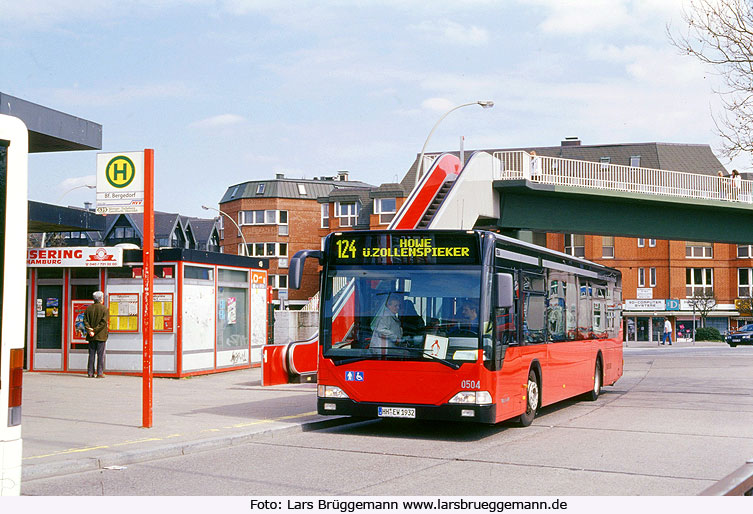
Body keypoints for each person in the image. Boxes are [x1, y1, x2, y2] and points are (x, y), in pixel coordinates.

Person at [84, 291, 109, 377]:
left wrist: (90, 331)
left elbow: (85, 321)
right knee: (100, 355)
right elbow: (103, 323)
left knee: (91, 355)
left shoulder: (88, 309)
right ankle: (99, 373)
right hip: (101, 336)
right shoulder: (104, 309)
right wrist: (95, 330)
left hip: (91, 336)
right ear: (101, 299)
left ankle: (90, 373)